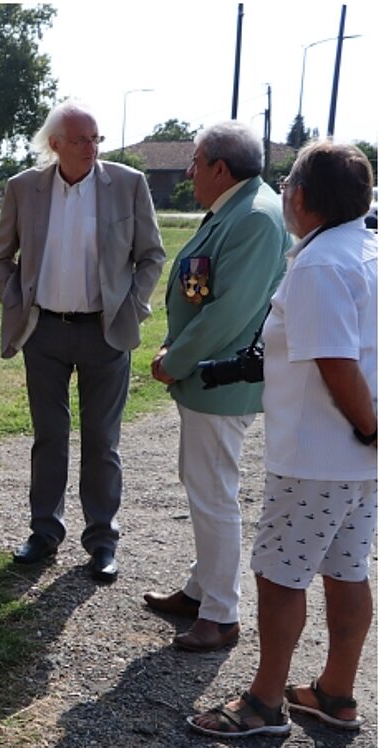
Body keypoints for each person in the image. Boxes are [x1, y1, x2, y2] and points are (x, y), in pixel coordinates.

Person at [188, 141, 377, 737]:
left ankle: (265, 702)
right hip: (355, 463)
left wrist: (369, 428)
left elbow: (336, 362)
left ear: (300, 196)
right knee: (347, 570)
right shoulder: (366, 249)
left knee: (280, 576)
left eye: (289, 184)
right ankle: (335, 694)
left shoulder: (321, 265)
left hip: (317, 455)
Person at [0, 101, 165, 583]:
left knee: (102, 441)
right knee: (49, 437)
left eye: (96, 139)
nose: (91, 148)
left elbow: (151, 255)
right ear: (56, 145)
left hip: (105, 332)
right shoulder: (24, 188)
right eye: (81, 140)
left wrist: (132, 306)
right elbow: (1, 255)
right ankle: (44, 532)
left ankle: (102, 541)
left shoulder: (128, 184)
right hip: (44, 331)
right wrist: (14, 298)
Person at [143, 122, 293, 650]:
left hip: (220, 377)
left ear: (220, 169)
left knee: (213, 495)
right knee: (203, 484)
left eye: (195, 162)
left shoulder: (253, 217)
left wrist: (176, 360)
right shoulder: (240, 208)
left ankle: (221, 614)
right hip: (210, 376)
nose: (189, 172)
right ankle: (200, 589)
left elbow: (229, 312)